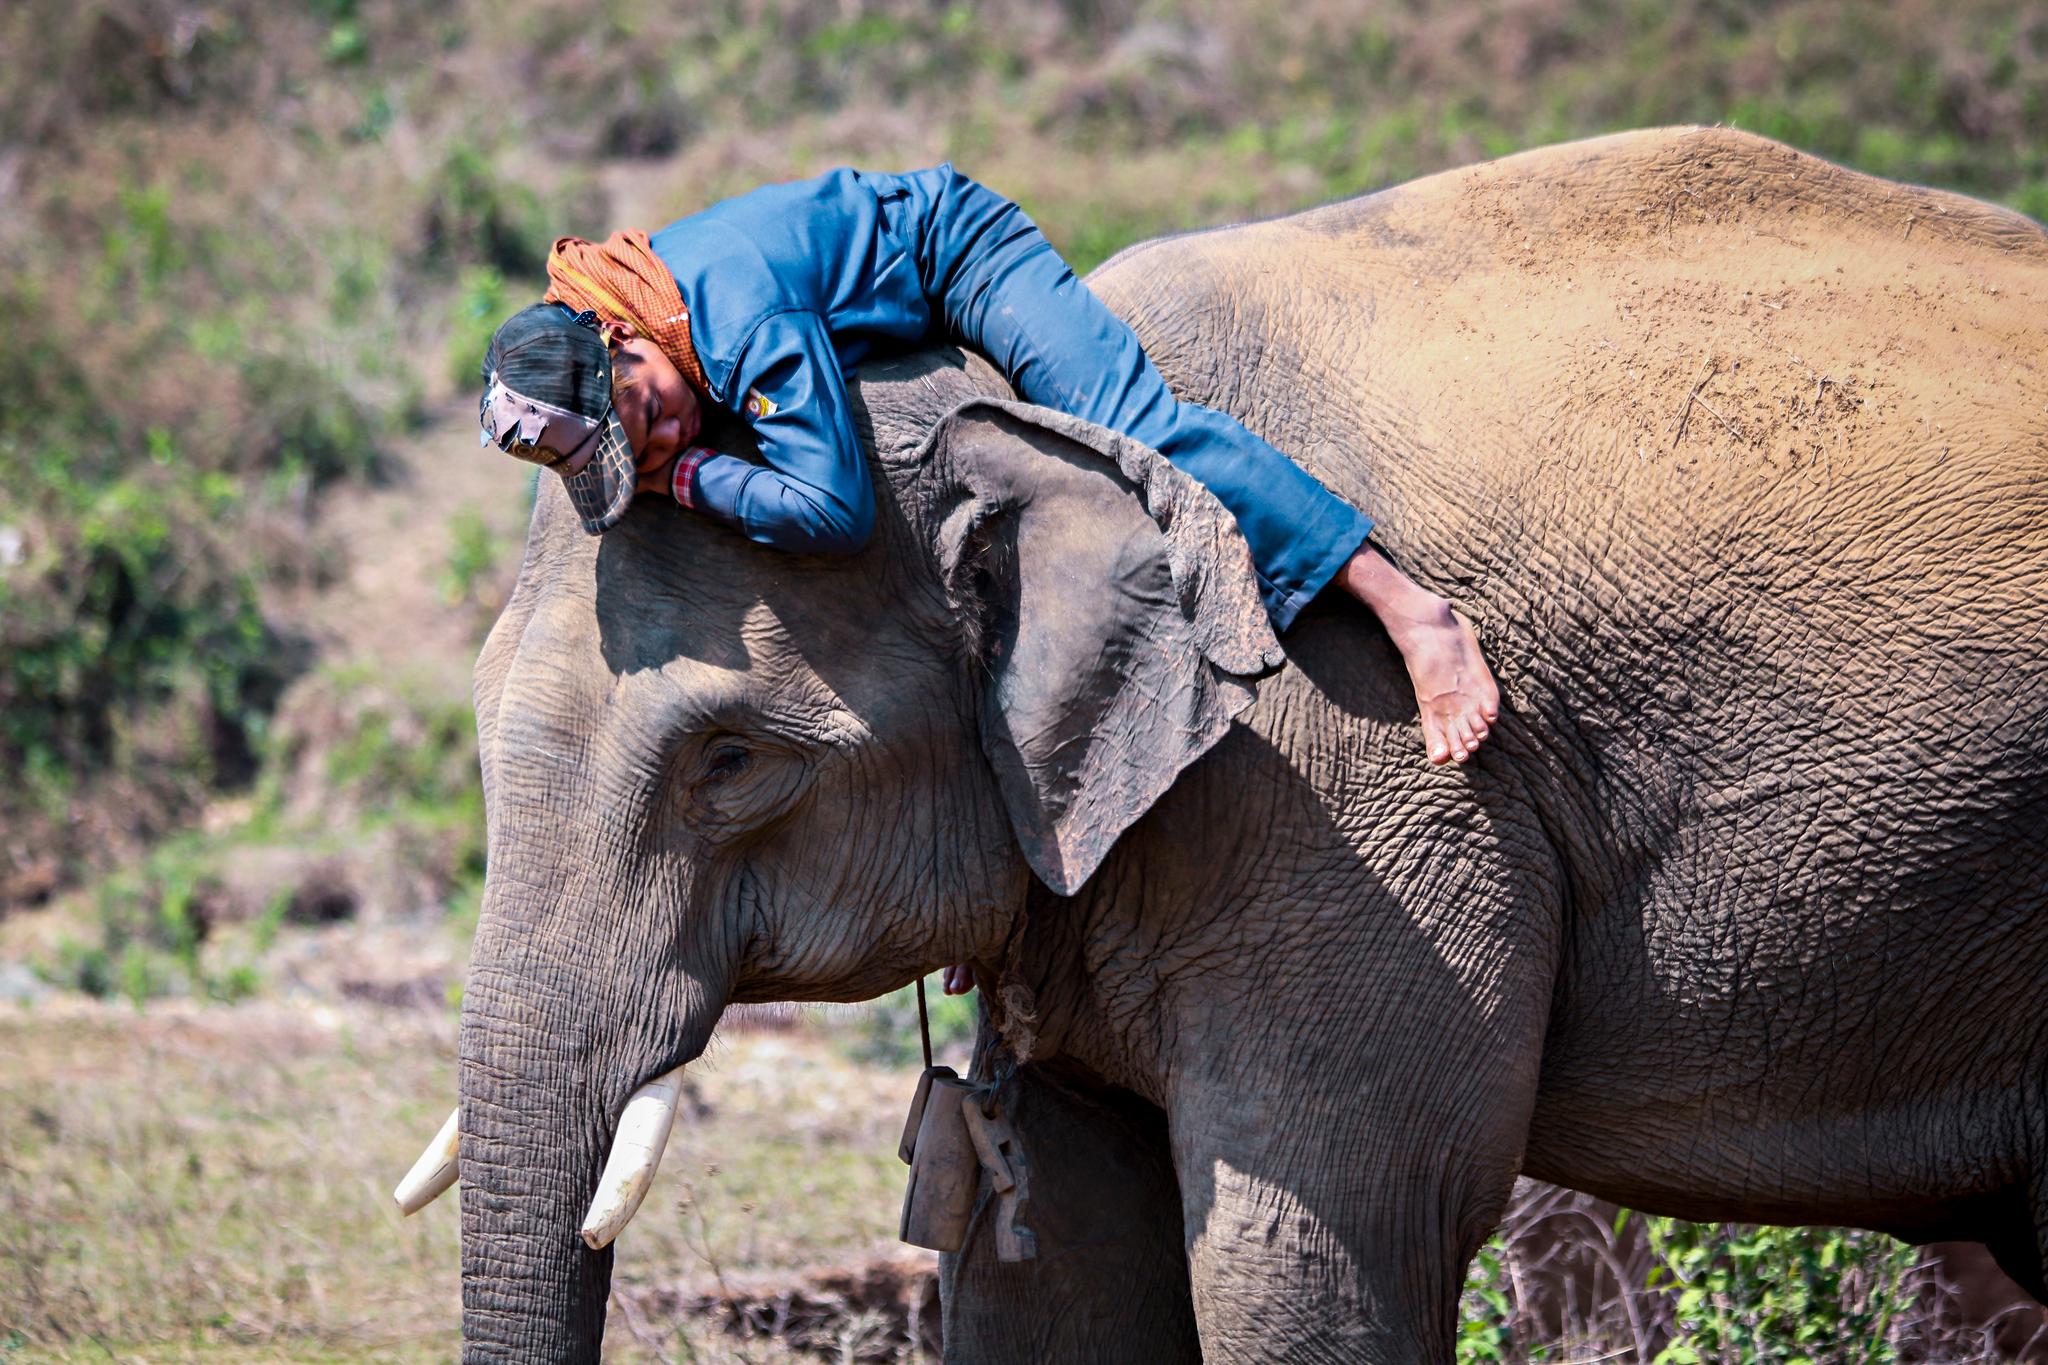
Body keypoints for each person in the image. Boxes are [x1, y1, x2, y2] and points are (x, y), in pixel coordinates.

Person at [478, 165, 1498, 789]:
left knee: (1135, 431)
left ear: (618, 337)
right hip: (861, 324)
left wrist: (693, 479)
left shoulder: (739, 328)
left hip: (954, 256)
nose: (659, 441)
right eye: (635, 452)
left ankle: (1408, 610)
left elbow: (832, 512)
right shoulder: (638, 326)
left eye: (650, 412)